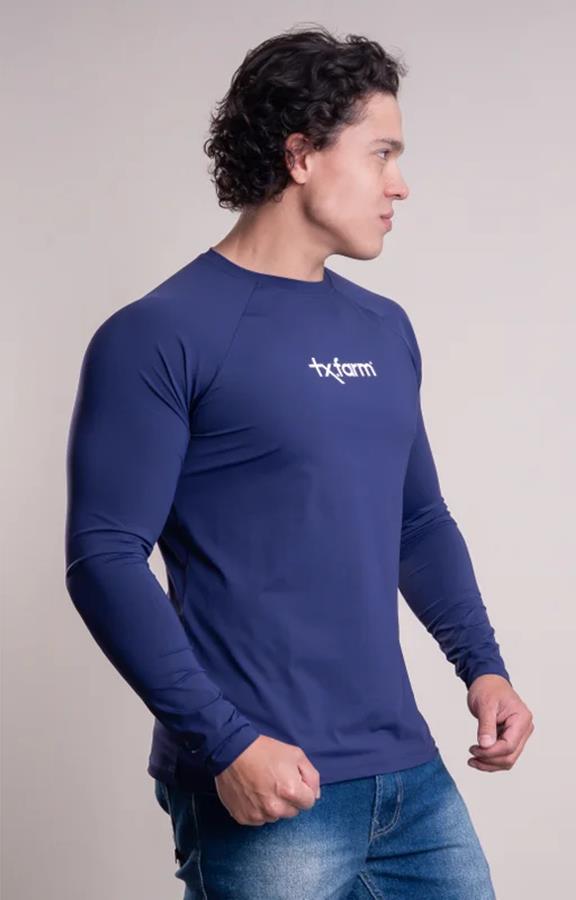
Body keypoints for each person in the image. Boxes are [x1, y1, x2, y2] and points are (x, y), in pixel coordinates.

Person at [64, 24, 535, 899]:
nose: (400, 184)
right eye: (381, 153)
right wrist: (225, 742)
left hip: (409, 776)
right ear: (301, 154)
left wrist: (483, 666)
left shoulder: (383, 329)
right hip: (268, 780)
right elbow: (103, 557)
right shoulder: (159, 334)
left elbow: (416, 519)